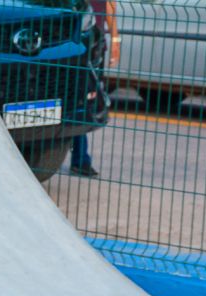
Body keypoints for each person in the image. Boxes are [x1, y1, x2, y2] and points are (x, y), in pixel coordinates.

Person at [69, 0, 121, 178]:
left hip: (95, 45)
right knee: (72, 99)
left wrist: (115, 39)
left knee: (85, 102)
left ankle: (80, 159)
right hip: (72, 44)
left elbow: (110, 5)